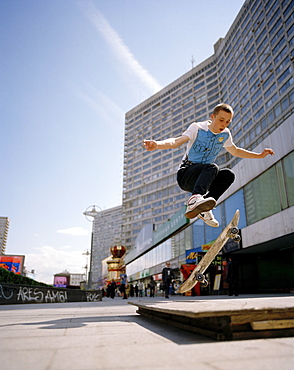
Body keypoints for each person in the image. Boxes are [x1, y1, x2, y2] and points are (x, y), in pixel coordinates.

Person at [143, 103, 274, 227]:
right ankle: (194, 201)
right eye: (221, 120)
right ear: (212, 117)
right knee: (212, 167)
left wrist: (259, 155)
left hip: (203, 178)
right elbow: (176, 141)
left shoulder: (225, 134)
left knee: (228, 175)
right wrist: (157, 144)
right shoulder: (198, 128)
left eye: (228, 122)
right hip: (186, 175)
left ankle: (204, 209)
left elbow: (235, 151)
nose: (224, 124)